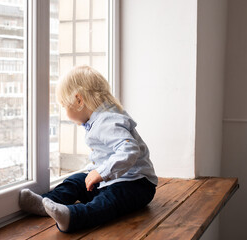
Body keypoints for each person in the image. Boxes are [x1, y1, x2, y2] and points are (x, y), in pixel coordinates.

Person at [19, 65, 158, 232]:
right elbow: (104, 155)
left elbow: (129, 150)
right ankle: (45, 203)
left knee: (108, 200)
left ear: (78, 100)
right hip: (113, 179)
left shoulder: (107, 121)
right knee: (76, 181)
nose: (64, 111)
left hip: (136, 184)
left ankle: (74, 217)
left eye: (64, 105)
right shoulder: (97, 121)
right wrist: (93, 171)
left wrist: (101, 173)